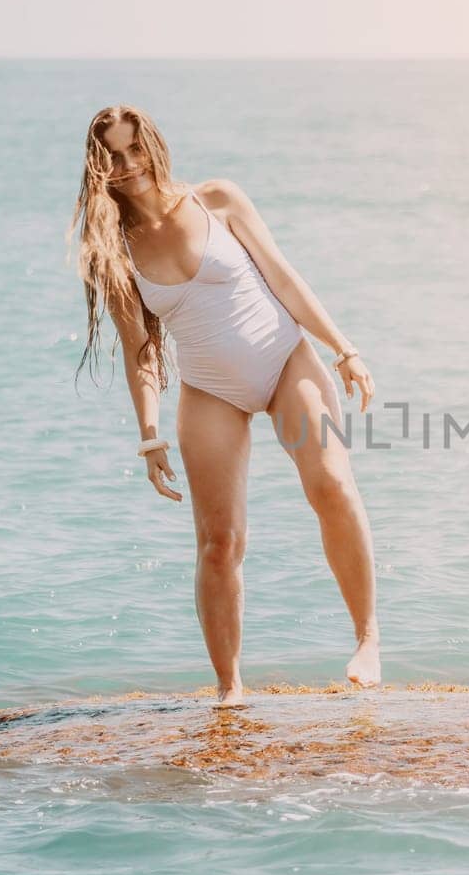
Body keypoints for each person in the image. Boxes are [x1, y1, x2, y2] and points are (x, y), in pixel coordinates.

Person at [65, 104, 379, 707]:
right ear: (97, 167)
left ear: (154, 145)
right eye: (113, 157)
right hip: (211, 391)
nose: (128, 166)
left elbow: (284, 279)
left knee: (332, 486)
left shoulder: (218, 200)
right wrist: (150, 434)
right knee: (218, 541)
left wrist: (344, 349)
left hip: (286, 361)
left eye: (135, 150)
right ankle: (230, 688)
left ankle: (367, 640)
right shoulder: (114, 251)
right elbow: (141, 353)